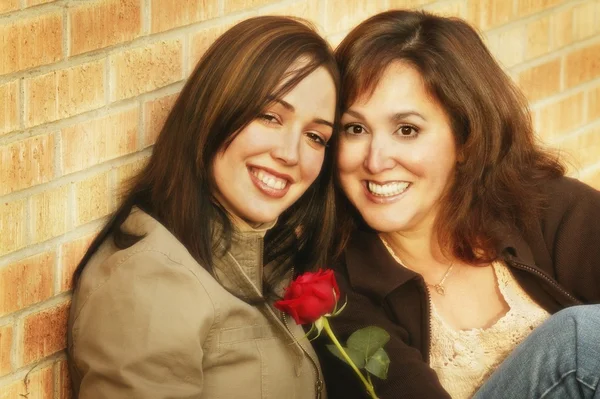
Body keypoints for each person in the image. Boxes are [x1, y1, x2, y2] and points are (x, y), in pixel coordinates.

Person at [313, 9, 600, 399]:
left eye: (407, 130)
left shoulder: (546, 206)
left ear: (466, 139)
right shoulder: (332, 287)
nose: (376, 161)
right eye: (356, 128)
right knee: (579, 342)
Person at [67, 16, 339, 398]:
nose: (290, 154)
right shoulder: (151, 284)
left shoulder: (264, 252)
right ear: (213, 110)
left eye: (315, 136)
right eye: (269, 116)